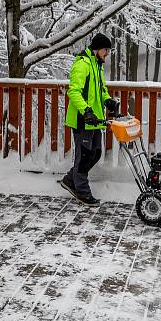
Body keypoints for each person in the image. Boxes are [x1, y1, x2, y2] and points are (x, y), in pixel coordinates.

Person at [58, 33, 119, 207]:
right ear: (97, 49)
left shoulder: (97, 65)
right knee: (84, 156)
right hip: (82, 119)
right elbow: (74, 92)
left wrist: (108, 100)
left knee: (96, 152)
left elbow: (101, 90)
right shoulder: (82, 65)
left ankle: (70, 180)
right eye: (106, 50)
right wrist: (86, 110)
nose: (107, 53)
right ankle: (82, 192)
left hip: (95, 120)